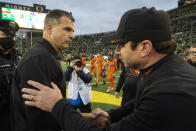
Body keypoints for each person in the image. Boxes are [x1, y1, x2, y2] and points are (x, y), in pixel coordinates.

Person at [22, 7, 196, 131]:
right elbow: (138, 103)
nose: (116, 51)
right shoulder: (163, 69)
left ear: (145, 47)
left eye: (121, 45)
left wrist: (57, 105)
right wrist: (111, 115)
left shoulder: (169, 93)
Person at [11, 9, 75, 131]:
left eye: (73, 31)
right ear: (49, 29)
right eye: (67, 29)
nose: (72, 35)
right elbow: (38, 116)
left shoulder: (45, 55)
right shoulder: (39, 58)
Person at [0, 20, 19, 131]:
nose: (11, 38)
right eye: (6, 35)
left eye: (12, 35)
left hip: (17, 117)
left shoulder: (17, 58)